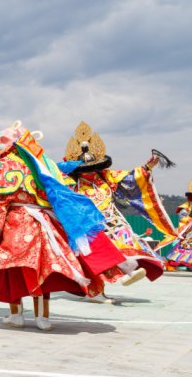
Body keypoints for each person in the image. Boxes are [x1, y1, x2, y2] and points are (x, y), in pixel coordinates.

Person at [0, 122, 128, 331]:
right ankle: (42, 317)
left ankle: (16, 314)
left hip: (16, 221)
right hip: (43, 220)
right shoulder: (38, 164)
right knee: (43, 266)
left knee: (11, 268)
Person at [61, 121, 177, 287]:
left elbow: (130, 179)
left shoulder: (106, 177)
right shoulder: (70, 183)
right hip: (90, 226)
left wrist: (147, 167)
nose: (90, 171)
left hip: (114, 221)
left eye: (93, 167)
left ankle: (128, 271)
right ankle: (106, 283)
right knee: (101, 253)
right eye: (85, 169)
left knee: (126, 242)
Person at [165, 181, 192, 270]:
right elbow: (183, 220)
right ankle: (171, 264)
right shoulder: (184, 209)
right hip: (188, 233)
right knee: (183, 250)